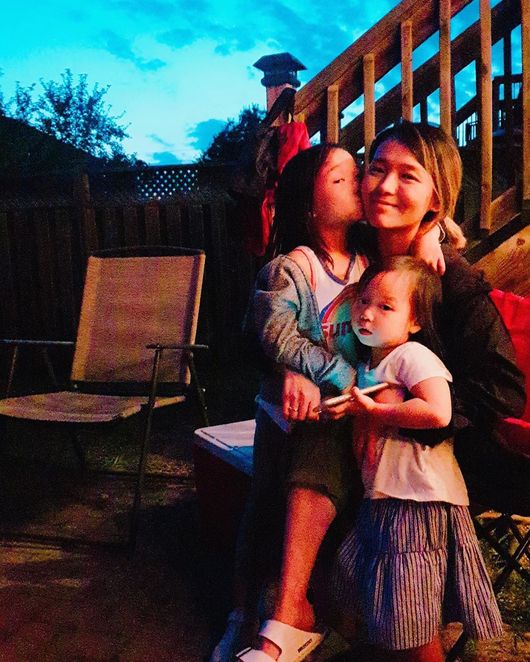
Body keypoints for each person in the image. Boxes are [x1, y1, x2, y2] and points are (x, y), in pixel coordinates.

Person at [211, 139, 449, 662]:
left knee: (330, 506)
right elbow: (273, 333)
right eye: (342, 179)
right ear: (311, 207)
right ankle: (243, 615)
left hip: (340, 415)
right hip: (286, 416)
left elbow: (417, 250)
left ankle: (310, 614)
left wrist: (431, 230)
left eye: (355, 173)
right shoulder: (292, 268)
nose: (360, 184)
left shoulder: (367, 259)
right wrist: (327, 374)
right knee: (264, 511)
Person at [330, 255, 503, 662]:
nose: (367, 314)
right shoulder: (369, 363)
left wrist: (377, 412)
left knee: (412, 607)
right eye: (363, 301)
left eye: (385, 307)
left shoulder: (412, 356)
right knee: (380, 594)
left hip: (417, 499)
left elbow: (438, 411)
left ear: (414, 322)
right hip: (386, 496)